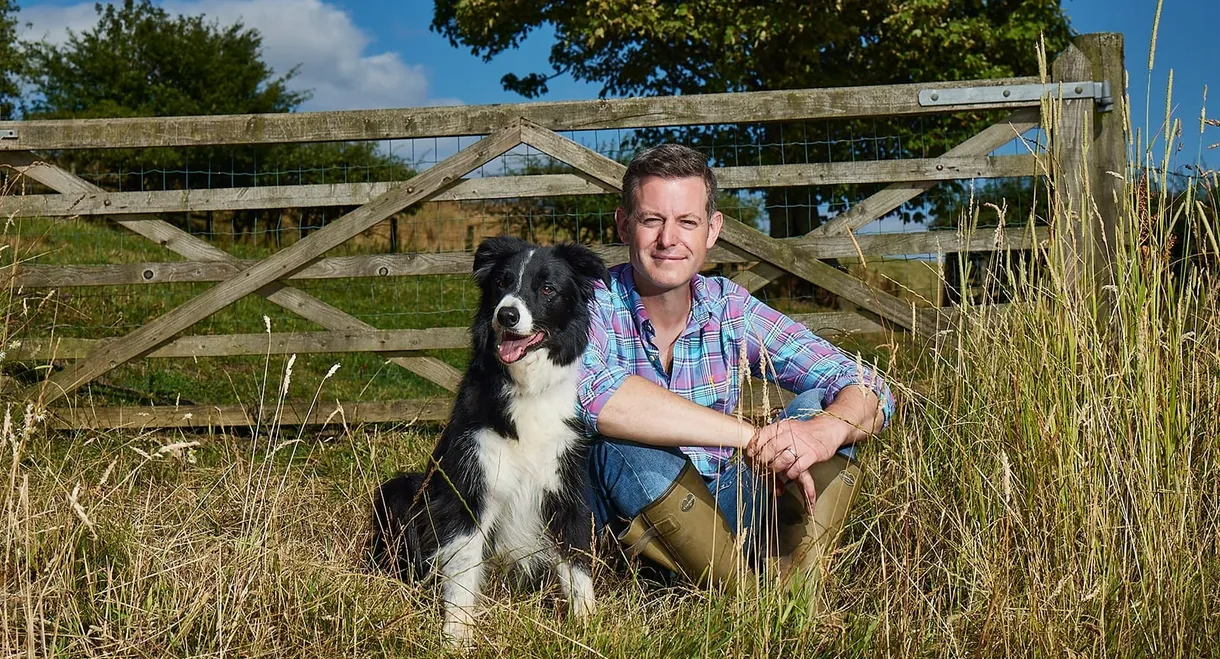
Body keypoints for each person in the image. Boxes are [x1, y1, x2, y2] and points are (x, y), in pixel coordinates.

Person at [578, 143, 896, 586]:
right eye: (653, 220)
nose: (669, 239)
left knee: (811, 411)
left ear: (712, 230)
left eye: (687, 222)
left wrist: (823, 433)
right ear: (623, 225)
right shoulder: (588, 300)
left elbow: (866, 385)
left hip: (732, 504)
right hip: (630, 527)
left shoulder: (729, 307)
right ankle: (742, 604)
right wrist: (749, 436)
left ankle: (792, 596)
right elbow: (595, 396)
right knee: (619, 448)